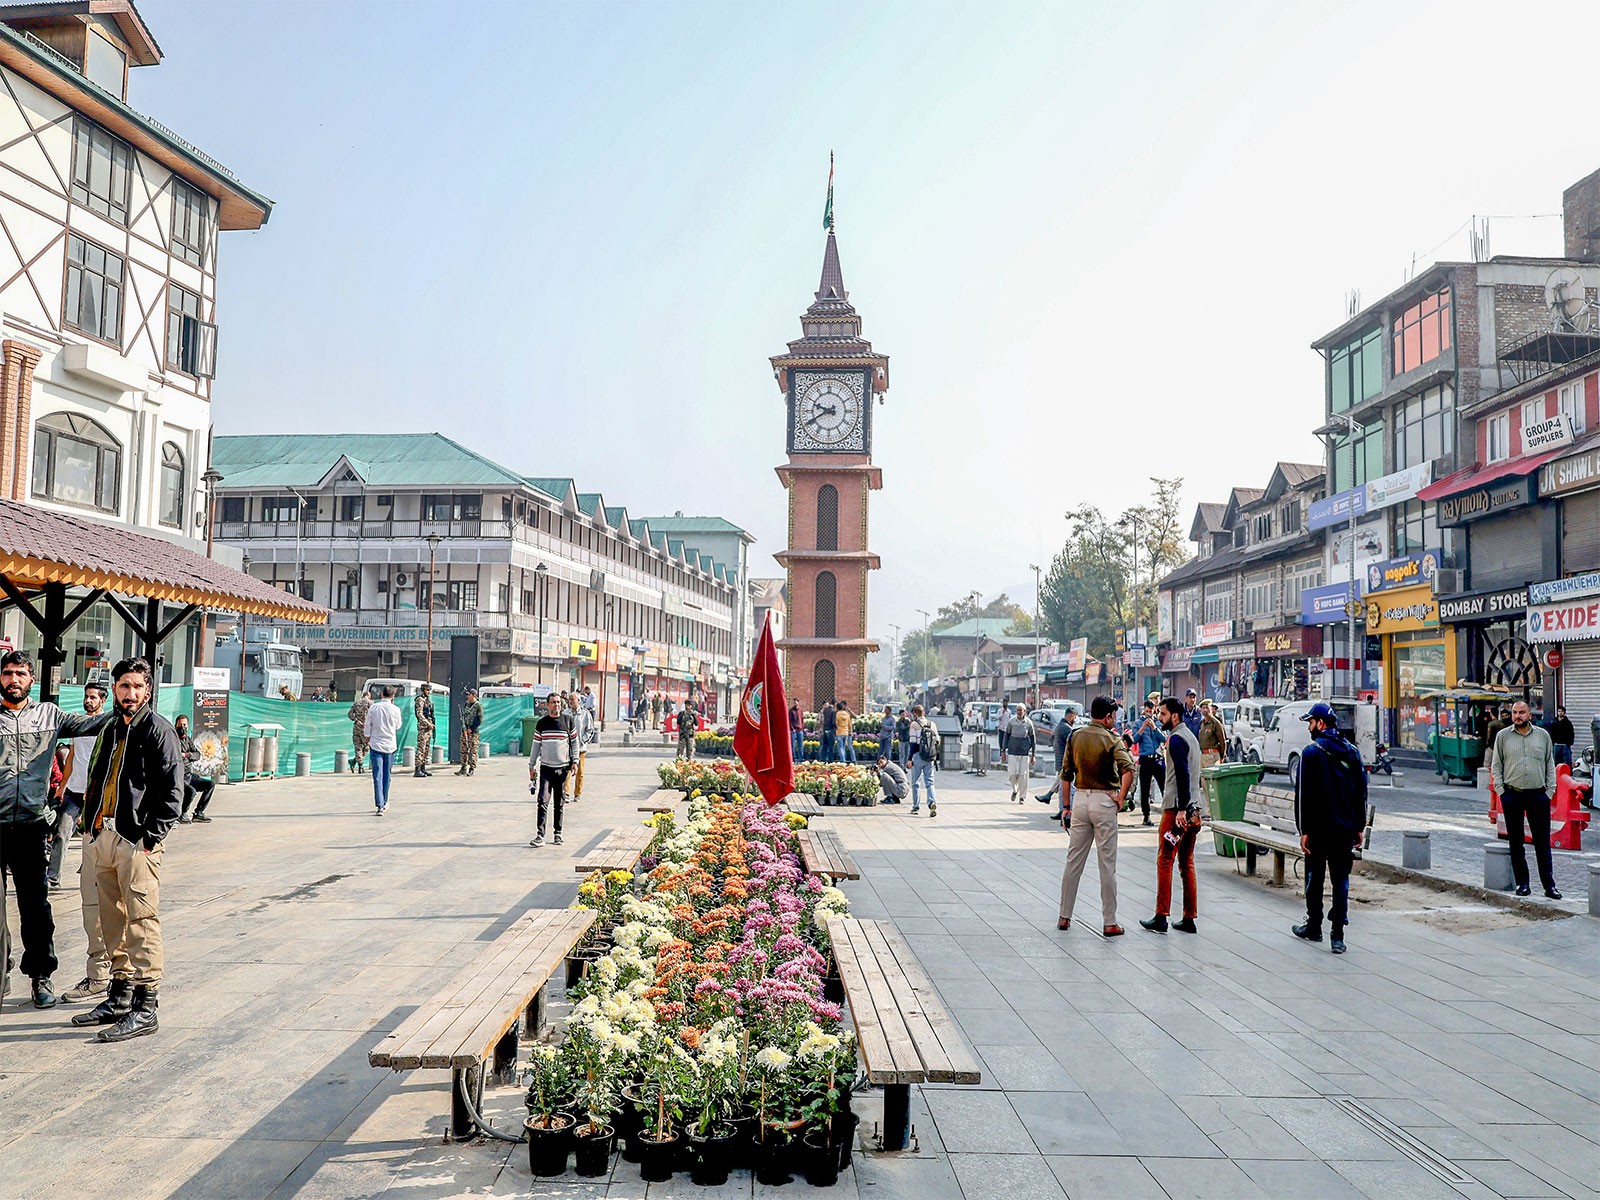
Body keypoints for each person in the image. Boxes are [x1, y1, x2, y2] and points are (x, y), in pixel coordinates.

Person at [69, 657, 183, 1042]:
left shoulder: (157, 730)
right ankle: (119, 997)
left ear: (147, 690)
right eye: (123, 686)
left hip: (136, 842)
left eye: (137, 686)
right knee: (110, 921)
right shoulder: (112, 727)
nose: (130, 693)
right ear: (114, 689)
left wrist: (151, 838)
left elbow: (173, 792)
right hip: (103, 835)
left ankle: (146, 1006)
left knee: (142, 921)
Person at [0, 650, 114, 1009]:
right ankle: (1, 974)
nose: (13, 679)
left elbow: (90, 724)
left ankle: (40, 977)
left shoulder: (50, 714)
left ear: (32, 680)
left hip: (32, 826)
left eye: (20, 673)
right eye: (7, 673)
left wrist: (129, 706)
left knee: (35, 907)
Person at [1292, 702, 1368, 953]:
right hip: (1344, 830)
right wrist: (1359, 826)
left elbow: (1304, 796)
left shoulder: (1311, 753)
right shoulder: (1352, 751)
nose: (1309, 728)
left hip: (1317, 830)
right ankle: (1338, 935)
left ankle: (1314, 926)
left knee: (1314, 879)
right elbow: (1361, 793)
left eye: (1311, 723)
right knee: (1341, 881)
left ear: (1321, 724)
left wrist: (1303, 829)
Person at [1057, 696, 1135, 936]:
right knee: (1107, 864)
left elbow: (1066, 775)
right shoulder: (1112, 739)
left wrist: (1067, 807)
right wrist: (1121, 797)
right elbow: (1129, 769)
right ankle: (1109, 922)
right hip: (1104, 801)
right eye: (1113, 715)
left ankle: (1064, 917)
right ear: (1108, 716)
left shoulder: (1075, 735)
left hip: (1080, 800)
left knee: (1073, 862)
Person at [1142, 698, 1204, 934]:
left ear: (1175, 716)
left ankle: (1161, 916)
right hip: (1194, 809)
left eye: (1164, 714)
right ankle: (1189, 917)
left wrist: (1180, 808)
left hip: (1177, 810)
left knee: (1165, 860)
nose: (1160, 718)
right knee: (1186, 863)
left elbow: (1182, 774)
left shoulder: (1177, 739)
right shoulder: (1191, 736)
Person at [1490, 700, 1562, 899]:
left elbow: (1550, 764)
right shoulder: (1503, 737)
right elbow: (1496, 766)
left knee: (1542, 842)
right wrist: (1501, 792)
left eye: (1522, 712)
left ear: (1530, 714)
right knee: (1516, 842)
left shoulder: (1543, 736)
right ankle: (1523, 884)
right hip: (1511, 794)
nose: (1517, 716)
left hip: (1538, 795)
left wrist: (1550, 792)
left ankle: (1549, 885)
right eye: (1514, 712)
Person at [49, 682, 108, 890]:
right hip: (74, 790)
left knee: (96, 838)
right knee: (61, 831)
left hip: (96, 792)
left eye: (93, 697)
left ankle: (94, 873)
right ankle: (52, 878)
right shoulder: (78, 724)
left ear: (103, 700)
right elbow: (71, 756)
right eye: (86, 696)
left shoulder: (107, 726)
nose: (88, 700)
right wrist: (62, 785)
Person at [529, 692, 576, 847]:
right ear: (547, 705)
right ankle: (540, 835)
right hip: (546, 769)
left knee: (559, 802)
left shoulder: (568, 721)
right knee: (542, 800)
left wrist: (575, 762)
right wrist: (531, 766)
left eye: (558, 702)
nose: (556, 705)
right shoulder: (541, 724)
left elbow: (575, 743)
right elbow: (536, 745)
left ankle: (558, 833)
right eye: (553, 702)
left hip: (562, 769)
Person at [364, 687, 402, 814]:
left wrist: (368, 737)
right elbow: (398, 726)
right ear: (393, 697)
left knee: (377, 775)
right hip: (390, 745)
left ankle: (379, 804)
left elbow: (367, 725)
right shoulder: (396, 709)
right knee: (387, 775)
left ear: (381, 694)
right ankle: (385, 800)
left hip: (376, 744)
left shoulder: (374, 707)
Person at [1035, 706, 1077, 821]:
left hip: (1060, 761)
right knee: (1068, 787)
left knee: (1061, 784)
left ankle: (1057, 805)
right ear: (1071, 716)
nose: (1075, 720)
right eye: (1075, 717)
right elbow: (1074, 743)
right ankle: (1065, 811)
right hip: (1065, 761)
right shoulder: (1066, 728)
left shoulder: (1060, 726)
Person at [174, 715, 216, 824]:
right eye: (180, 725)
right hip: (178, 775)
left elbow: (197, 755)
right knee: (191, 791)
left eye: (184, 725)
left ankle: (199, 813)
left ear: (188, 726)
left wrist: (186, 755)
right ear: (175, 726)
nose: (182, 727)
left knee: (210, 785)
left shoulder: (187, 739)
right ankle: (182, 813)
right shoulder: (173, 739)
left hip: (189, 775)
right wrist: (182, 755)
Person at [1132, 700, 1166, 826]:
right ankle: (1146, 816)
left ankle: (1168, 813)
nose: (1148, 715)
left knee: (1164, 786)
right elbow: (1134, 740)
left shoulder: (1159, 722)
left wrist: (1154, 728)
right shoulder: (1138, 723)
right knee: (1145, 789)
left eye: (1150, 712)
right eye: (1146, 712)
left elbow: (1165, 738)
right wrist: (1142, 728)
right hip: (1145, 758)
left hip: (1158, 758)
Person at [906, 704, 938, 817]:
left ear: (915, 713)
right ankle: (932, 802)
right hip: (929, 757)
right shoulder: (932, 724)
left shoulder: (914, 725)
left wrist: (910, 759)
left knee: (915, 782)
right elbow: (937, 741)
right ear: (923, 712)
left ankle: (915, 806)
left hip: (918, 756)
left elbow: (913, 743)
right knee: (930, 782)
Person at [1001, 703, 1036, 804]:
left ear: (1025, 711)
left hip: (1024, 753)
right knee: (1012, 774)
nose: (1019, 712)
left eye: (1021, 710)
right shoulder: (1011, 722)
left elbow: (1033, 740)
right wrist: (1003, 751)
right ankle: (1015, 789)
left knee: (1023, 776)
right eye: (1018, 710)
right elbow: (1006, 736)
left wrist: (1033, 755)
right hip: (1012, 752)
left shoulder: (1029, 723)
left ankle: (1022, 797)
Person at [457, 688, 482, 776]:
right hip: (465, 730)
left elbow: (480, 720)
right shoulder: (466, 704)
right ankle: (463, 767)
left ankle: (472, 768)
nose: (468, 696)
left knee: (473, 750)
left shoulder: (478, 705)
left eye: (469, 695)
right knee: (463, 749)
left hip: (473, 732)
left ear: (474, 695)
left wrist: (472, 728)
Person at [346, 689, 372, 774]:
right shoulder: (370, 703)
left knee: (358, 747)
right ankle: (358, 763)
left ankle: (357, 763)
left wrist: (356, 720)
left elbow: (350, 714)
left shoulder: (356, 703)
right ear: (369, 696)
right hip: (366, 727)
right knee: (368, 747)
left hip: (357, 727)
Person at [413, 684, 435, 777]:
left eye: (429, 690)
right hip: (423, 728)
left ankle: (423, 767)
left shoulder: (427, 700)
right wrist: (427, 724)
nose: (428, 692)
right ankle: (417, 769)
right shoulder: (420, 700)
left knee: (426, 748)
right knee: (421, 748)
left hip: (428, 727)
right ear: (423, 690)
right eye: (427, 690)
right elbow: (419, 714)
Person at [1198, 699, 1227, 770]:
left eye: (1207, 707)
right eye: (1203, 708)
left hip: (1212, 755)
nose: (1205, 710)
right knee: (1203, 779)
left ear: (1211, 709)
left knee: (1212, 779)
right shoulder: (1202, 723)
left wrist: (1222, 756)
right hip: (1202, 755)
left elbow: (1222, 741)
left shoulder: (1216, 723)